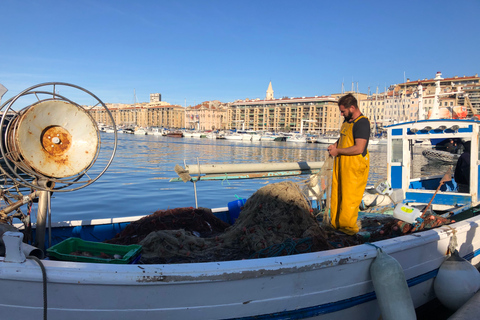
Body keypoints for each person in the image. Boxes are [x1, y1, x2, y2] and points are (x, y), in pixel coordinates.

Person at [327, 94, 370, 235]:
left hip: (354, 167)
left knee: (349, 198)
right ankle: (336, 225)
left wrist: (338, 151)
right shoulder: (347, 121)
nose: (341, 114)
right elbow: (343, 138)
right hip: (342, 165)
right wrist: (335, 145)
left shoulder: (362, 123)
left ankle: (348, 230)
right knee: (337, 195)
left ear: (352, 107)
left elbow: (359, 148)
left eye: (343, 111)